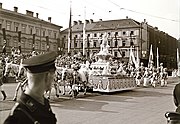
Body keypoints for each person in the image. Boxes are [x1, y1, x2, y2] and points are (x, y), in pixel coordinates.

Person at [4, 52, 57, 124]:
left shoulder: (43, 102)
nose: (53, 80)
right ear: (47, 76)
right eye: (53, 76)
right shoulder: (19, 114)